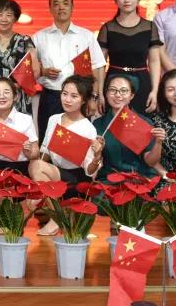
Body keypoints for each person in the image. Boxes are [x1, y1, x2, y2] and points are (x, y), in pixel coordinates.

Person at [30, 75, 102, 235]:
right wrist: (37, 185)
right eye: (64, 94)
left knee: (37, 166)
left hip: (76, 178)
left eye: (74, 96)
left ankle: (57, 218)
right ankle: (59, 214)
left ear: (83, 100)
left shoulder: (88, 128)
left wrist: (97, 157)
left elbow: (90, 171)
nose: (67, 99)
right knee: (35, 165)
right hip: (56, 175)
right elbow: (45, 153)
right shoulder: (54, 119)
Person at [33, 0, 106, 139]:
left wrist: (93, 97)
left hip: (80, 98)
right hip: (51, 97)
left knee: (79, 142)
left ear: (72, 7)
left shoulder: (86, 36)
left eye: (65, 3)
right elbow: (29, 69)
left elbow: (97, 67)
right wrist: (43, 71)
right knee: (48, 141)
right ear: (50, 8)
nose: (61, 7)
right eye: (56, 4)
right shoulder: (39, 37)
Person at [97, 0, 163, 114]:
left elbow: (154, 61)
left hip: (142, 82)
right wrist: (99, 93)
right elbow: (100, 65)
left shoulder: (150, 27)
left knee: (142, 123)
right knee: (114, 123)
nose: (126, 0)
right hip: (114, 85)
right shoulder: (107, 28)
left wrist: (155, 91)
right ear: (116, 0)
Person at [93, 74, 163, 183]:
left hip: (139, 178)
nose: (118, 95)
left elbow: (150, 162)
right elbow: (92, 164)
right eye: (113, 90)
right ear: (106, 93)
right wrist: (97, 154)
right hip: (109, 179)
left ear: (132, 95)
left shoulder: (143, 123)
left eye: (124, 91)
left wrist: (158, 143)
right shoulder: (98, 124)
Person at [0, 77, 38, 180]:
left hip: (21, 167)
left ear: (15, 97)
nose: (1, 96)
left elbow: (36, 154)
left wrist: (29, 152)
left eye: (6, 92)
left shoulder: (25, 119)